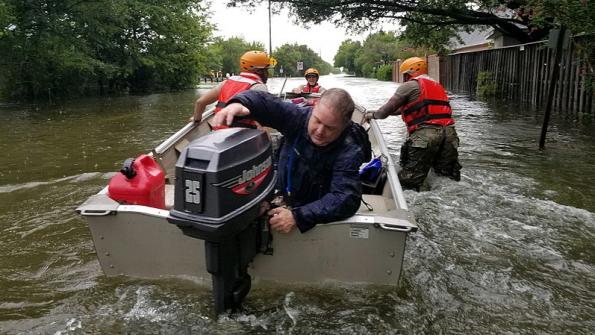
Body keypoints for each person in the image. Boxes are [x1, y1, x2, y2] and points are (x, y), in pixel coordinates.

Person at [213, 88, 372, 234]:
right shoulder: (297, 117)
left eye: (330, 128)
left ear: (344, 126)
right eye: (317, 120)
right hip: (285, 192)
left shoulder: (349, 148)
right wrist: (239, 103)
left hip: (316, 208)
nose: (320, 131)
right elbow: (266, 102)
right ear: (314, 108)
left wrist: (298, 216)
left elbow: (345, 198)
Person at [365, 57, 461, 190]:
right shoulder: (437, 86)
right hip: (449, 135)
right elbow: (410, 109)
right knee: (445, 177)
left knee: (409, 181)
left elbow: (384, 111)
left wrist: (372, 115)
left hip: (426, 135)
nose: (404, 78)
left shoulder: (409, 86)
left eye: (405, 74)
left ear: (410, 72)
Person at [191, 50, 275, 126]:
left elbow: (200, 102)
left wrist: (197, 120)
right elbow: (264, 119)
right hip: (244, 135)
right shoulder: (259, 87)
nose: (267, 74)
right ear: (259, 71)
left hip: (217, 133)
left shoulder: (226, 82)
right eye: (266, 70)